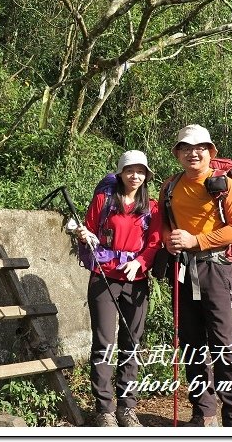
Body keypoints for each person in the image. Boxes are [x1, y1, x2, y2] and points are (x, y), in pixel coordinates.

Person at [159, 125, 232, 427]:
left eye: (199, 148)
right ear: (178, 154)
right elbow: (164, 222)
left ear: (210, 152)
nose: (193, 153)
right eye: (186, 148)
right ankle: (203, 411)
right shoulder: (170, 185)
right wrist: (170, 241)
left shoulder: (225, 185)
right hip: (183, 268)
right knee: (191, 342)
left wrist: (195, 241)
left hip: (215, 268)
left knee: (222, 343)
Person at [75, 150, 162, 427]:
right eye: (129, 170)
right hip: (104, 276)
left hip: (136, 281)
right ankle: (105, 409)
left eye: (140, 171)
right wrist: (82, 234)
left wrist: (140, 263)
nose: (135, 176)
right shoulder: (104, 199)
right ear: (121, 172)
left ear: (146, 175)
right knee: (104, 343)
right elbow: (89, 229)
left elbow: (154, 242)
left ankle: (127, 407)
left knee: (131, 344)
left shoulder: (153, 206)